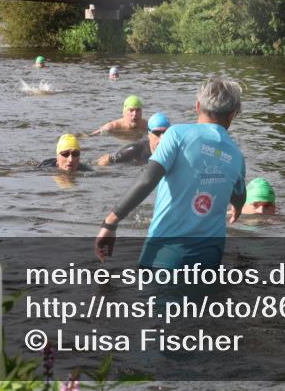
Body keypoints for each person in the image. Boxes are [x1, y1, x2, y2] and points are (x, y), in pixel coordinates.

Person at [94, 77, 246, 269]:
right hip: (211, 258)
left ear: (197, 106)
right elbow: (239, 195)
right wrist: (238, 208)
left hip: (165, 255)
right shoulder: (237, 155)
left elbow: (148, 179)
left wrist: (110, 223)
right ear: (232, 115)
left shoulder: (176, 135)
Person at [96, 112, 170, 166]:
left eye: (166, 133)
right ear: (149, 134)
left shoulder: (176, 149)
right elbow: (107, 160)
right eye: (157, 133)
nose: (162, 137)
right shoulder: (134, 150)